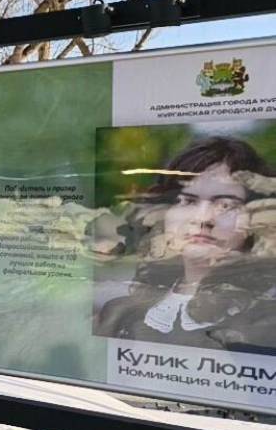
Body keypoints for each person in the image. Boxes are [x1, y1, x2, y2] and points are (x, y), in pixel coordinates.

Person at [94, 136, 276, 351]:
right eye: (187, 201)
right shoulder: (117, 315)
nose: (203, 218)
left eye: (226, 205)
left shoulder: (267, 322)